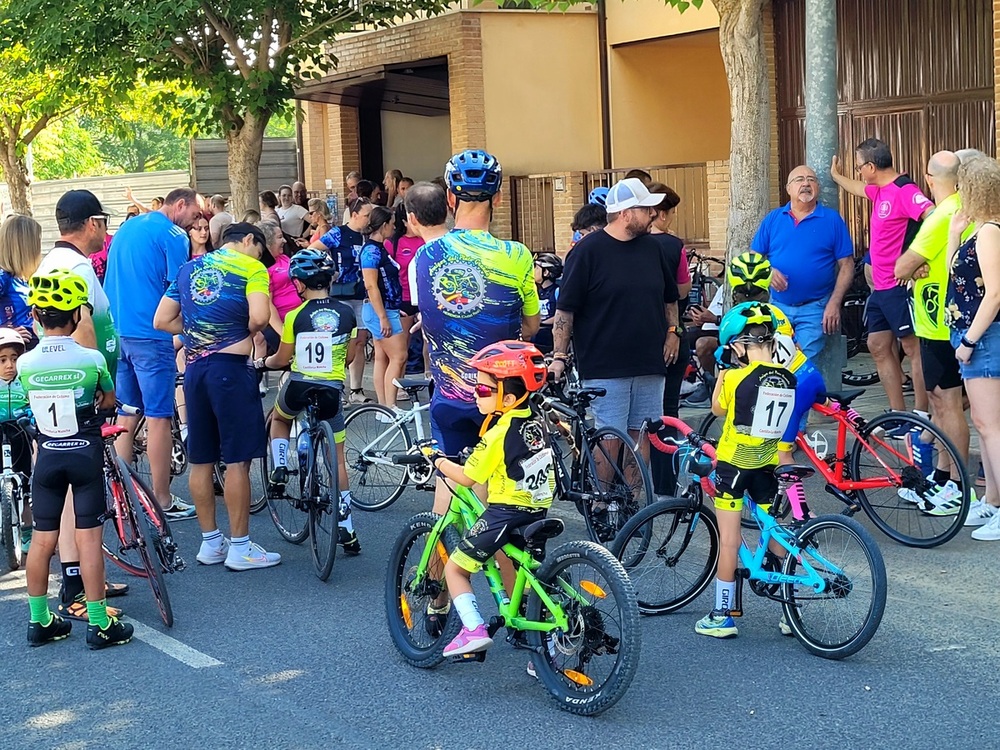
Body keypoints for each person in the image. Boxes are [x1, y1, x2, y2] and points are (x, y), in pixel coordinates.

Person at [412, 150, 540, 523]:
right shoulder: (516, 255)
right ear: (497, 198)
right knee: (497, 503)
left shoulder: (425, 256)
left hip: (449, 392)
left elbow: (431, 319)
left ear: (450, 198)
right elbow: (531, 327)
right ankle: (496, 575)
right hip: (501, 396)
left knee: (448, 492)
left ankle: (434, 579)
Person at [153, 223, 280, 570]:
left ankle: (210, 542)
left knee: (202, 457)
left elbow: (162, 321)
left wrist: (195, 328)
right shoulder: (251, 268)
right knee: (238, 458)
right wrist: (244, 329)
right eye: (260, 248)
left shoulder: (188, 269)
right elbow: (259, 316)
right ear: (250, 241)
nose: (261, 257)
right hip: (231, 367)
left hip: (194, 369)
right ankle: (240, 546)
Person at [20, 270, 133, 649]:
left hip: (48, 457)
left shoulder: (25, 364)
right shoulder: (91, 358)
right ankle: (99, 624)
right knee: (88, 542)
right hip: (84, 453)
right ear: (77, 315)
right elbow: (108, 398)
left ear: (35, 315)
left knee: (41, 542)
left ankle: (40, 620)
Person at [430, 341, 551, 657]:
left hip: (505, 512)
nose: (475, 394)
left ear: (508, 398)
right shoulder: (537, 421)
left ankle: (473, 630)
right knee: (525, 576)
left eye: (483, 391)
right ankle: (541, 650)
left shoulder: (498, 432)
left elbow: (469, 477)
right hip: (537, 510)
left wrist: (437, 459)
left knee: (456, 569)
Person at [549, 177, 680, 464]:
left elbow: (670, 298)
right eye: (646, 210)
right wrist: (559, 355)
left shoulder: (653, 248)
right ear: (625, 213)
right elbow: (565, 311)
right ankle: (600, 503)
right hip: (605, 364)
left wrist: (673, 332)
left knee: (642, 435)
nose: (653, 215)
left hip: (650, 362)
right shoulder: (586, 252)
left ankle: (636, 503)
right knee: (610, 438)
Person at [696, 303, 797, 639]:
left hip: (733, 465)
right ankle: (789, 611)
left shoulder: (736, 376)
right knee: (774, 534)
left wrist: (723, 371)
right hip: (766, 465)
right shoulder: (788, 377)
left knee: (729, 541)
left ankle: (722, 615)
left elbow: (717, 408)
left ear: (738, 346)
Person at [105, 187, 201, 519]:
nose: (196, 221)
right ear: (180, 204)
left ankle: (123, 498)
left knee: (127, 414)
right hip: (152, 332)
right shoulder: (174, 235)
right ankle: (162, 499)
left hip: (119, 331)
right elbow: (182, 286)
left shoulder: (129, 227)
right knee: (159, 416)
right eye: (194, 214)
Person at [259, 248, 362, 554]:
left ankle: (279, 468)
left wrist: (265, 363)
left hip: (301, 385)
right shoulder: (347, 313)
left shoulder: (295, 316)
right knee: (338, 458)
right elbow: (352, 356)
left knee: (280, 418)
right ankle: (347, 528)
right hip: (331, 389)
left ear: (300, 284)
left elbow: (282, 358)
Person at [894, 151, 974, 515]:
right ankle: (943, 476)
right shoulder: (961, 207)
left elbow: (901, 266)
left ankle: (957, 484)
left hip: (942, 321)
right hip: (938, 320)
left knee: (948, 401)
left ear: (929, 178)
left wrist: (914, 265)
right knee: (941, 400)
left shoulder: (943, 213)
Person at [832, 137, 933, 415]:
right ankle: (897, 414)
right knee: (877, 345)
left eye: (859, 167)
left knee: (912, 349)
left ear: (872, 167)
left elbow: (932, 216)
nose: (859, 173)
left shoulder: (904, 189)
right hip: (880, 286)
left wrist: (919, 258)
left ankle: (921, 413)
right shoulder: (879, 191)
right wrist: (836, 176)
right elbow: (857, 188)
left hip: (899, 286)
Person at [946, 155, 1000, 541]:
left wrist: (968, 341)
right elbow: (955, 273)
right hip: (971, 335)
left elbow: (994, 293)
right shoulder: (977, 229)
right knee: (985, 425)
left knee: (991, 426)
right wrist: (953, 233)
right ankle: (991, 499)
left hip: (983, 337)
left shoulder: (991, 232)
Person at [751, 165, 855, 360]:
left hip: (816, 308)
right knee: (773, 360)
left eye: (811, 179)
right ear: (788, 188)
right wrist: (768, 270)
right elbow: (753, 258)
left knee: (800, 362)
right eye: (799, 179)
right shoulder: (773, 219)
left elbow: (847, 265)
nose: (806, 183)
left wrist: (834, 302)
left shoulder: (831, 220)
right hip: (778, 306)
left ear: (818, 188)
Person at [309, 197, 373, 404]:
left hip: (361, 294)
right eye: (366, 215)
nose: (369, 219)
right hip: (341, 293)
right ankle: (338, 387)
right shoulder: (338, 233)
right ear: (354, 215)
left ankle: (357, 389)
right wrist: (328, 271)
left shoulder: (367, 236)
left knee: (360, 341)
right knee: (341, 340)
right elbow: (313, 250)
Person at [359, 206, 407, 407]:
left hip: (387, 308)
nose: (394, 228)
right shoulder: (371, 250)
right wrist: (383, 317)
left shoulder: (379, 248)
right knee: (399, 356)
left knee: (382, 357)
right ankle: (390, 406)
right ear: (384, 225)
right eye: (392, 224)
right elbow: (371, 285)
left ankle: (384, 407)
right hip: (381, 310)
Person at [0, 328, 32, 554]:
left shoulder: (25, 381)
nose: (9, 365)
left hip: (20, 435)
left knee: (26, 485)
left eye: (14, 358)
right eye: (2, 360)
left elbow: (35, 403)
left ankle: (28, 529)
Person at [384, 202, 423, 369]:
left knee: (430, 343)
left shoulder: (426, 239)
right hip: (403, 298)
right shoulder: (393, 243)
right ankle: (399, 384)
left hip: (425, 297)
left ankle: (430, 377)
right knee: (402, 348)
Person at [0, 215, 41, 348]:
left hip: (31, 347)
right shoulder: (3, 277)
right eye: (36, 241)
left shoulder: (26, 277)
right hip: (12, 352)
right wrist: (6, 332)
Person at [531, 253, 562, 355]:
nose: (533, 271)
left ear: (546, 272)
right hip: (534, 341)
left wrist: (541, 323)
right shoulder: (534, 291)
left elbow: (561, 315)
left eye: (536, 268)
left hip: (551, 342)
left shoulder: (557, 291)